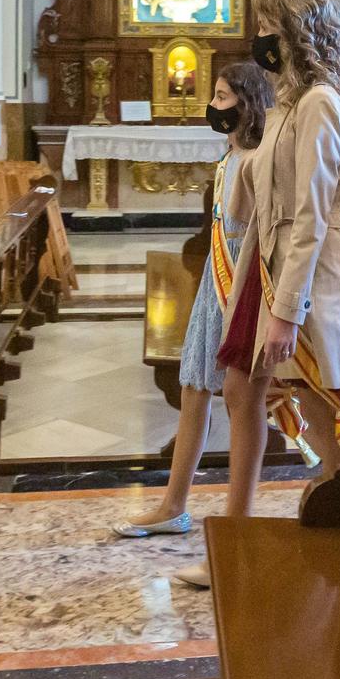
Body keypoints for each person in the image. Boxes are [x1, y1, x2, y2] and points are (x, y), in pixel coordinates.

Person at [175, 0, 340, 588]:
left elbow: (312, 214)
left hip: (307, 281)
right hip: (270, 270)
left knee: (325, 416)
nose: (259, 38)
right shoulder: (292, 101)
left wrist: (286, 310)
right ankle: (239, 541)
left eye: (268, 27)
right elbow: (265, 196)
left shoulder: (319, 103)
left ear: (294, 33)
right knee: (243, 390)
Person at [112, 62, 275, 543]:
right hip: (214, 281)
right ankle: (172, 505)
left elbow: (257, 234)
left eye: (223, 96)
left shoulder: (254, 160)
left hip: (241, 290)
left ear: (246, 104)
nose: (214, 105)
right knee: (193, 388)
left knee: (243, 402)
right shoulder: (232, 155)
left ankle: (237, 525)